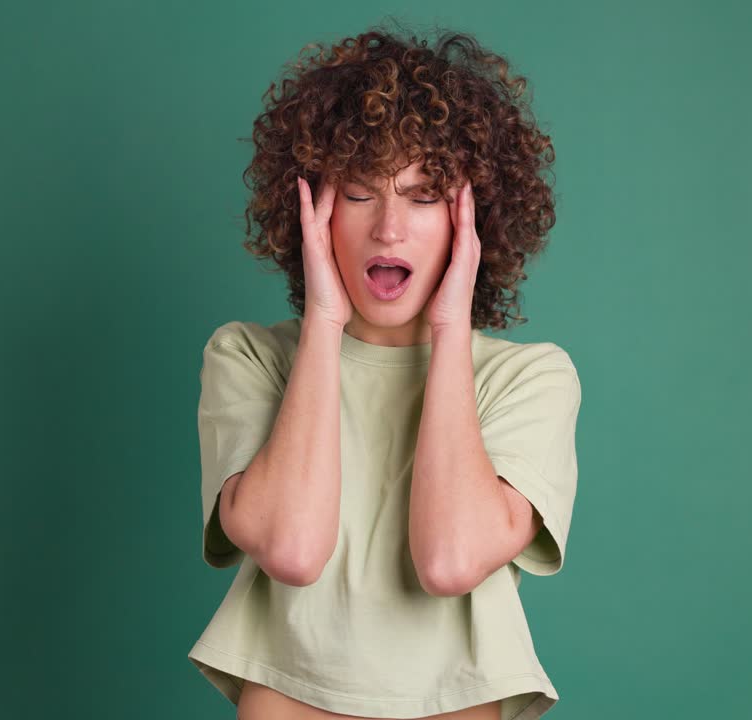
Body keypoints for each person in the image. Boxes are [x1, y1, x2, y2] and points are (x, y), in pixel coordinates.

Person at [188, 23, 582, 720]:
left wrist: (451, 328)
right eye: (360, 193)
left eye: (424, 196)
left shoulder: (531, 379)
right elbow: (292, 549)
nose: (389, 228)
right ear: (312, 211)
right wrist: (323, 322)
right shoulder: (247, 357)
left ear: (473, 220)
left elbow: (450, 560)